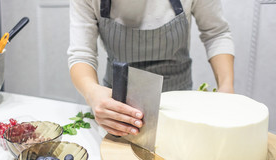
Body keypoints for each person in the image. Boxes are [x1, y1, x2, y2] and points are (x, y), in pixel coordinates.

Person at [67, 0, 235, 137]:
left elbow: (216, 33)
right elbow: (82, 54)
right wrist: (93, 93)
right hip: (118, 114)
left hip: (178, 109)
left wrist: (226, 86)